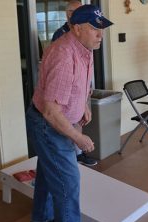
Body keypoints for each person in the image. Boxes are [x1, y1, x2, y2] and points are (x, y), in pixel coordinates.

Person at [26, 5, 113, 222]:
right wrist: (78, 137)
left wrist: (83, 104)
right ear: (76, 29)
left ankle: (41, 218)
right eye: (95, 29)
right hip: (48, 125)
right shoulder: (64, 55)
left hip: (55, 121)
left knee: (47, 170)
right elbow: (52, 112)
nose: (100, 35)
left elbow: (82, 84)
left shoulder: (84, 49)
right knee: (68, 180)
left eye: (102, 29)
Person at [52, 0, 97, 167]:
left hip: (82, 88)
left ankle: (78, 155)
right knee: (67, 122)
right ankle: (71, 157)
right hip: (67, 92)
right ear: (69, 14)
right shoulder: (61, 35)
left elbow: (85, 62)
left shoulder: (85, 32)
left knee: (80, 119)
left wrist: (87, 87)